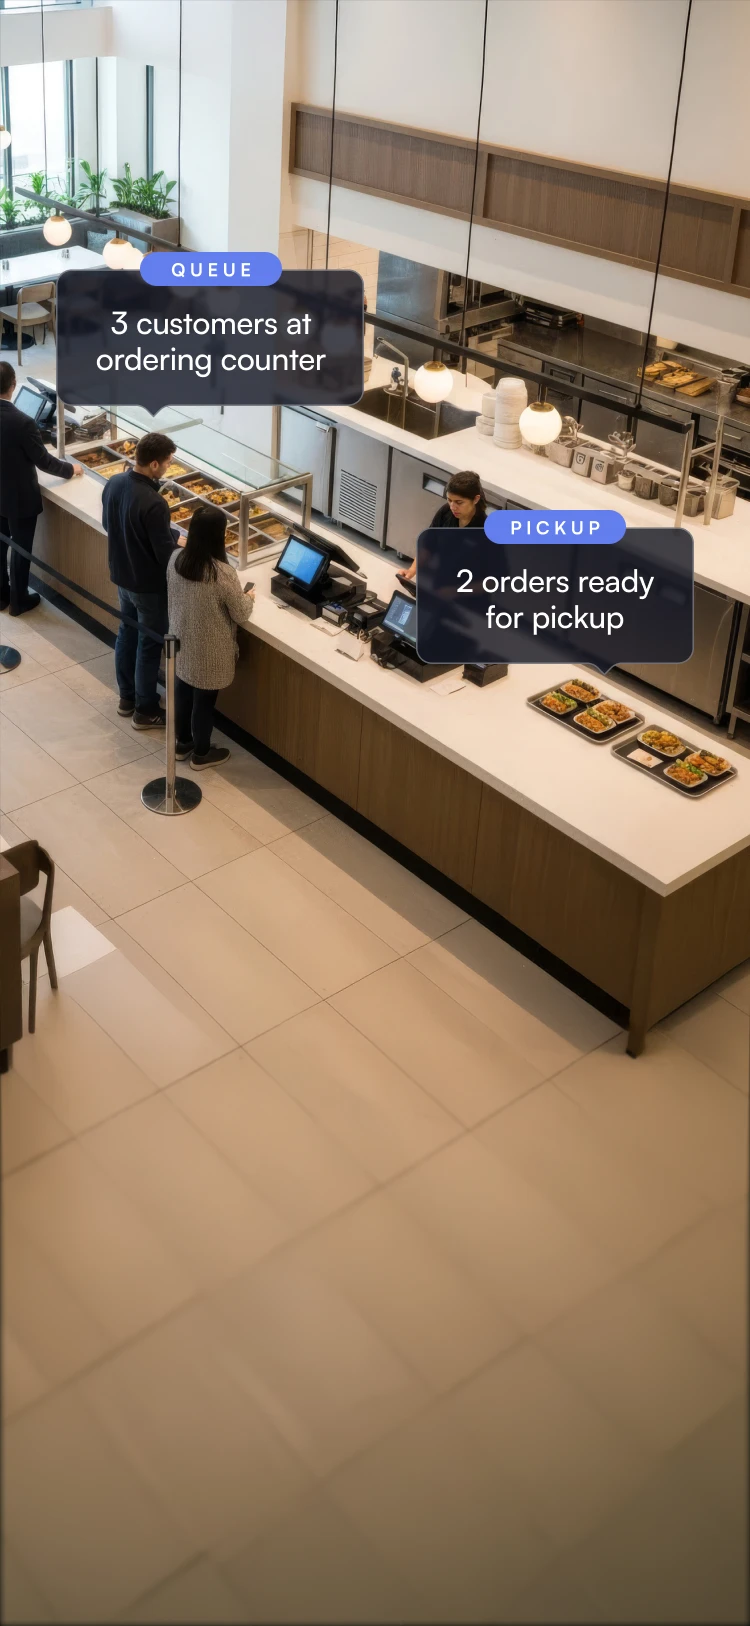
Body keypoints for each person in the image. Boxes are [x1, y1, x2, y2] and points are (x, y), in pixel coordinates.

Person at [167, 503, 255, 769]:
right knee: (204, 703)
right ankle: (202, 753)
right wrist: (249, 597)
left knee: (183, 692)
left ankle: (183, 743)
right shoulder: (222, 573)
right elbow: (241, 613)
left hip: (180, 642)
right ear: (219, 536)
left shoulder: (176, 559)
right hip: (210, 652)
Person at [102, 431, 180, 730]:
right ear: (155, 464)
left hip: (121, 575)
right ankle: (145, 710)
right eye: (169, 462)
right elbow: (164, 555)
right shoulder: (155, 502)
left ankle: (127, 698)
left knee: (127, 633)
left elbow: (110, 524)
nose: (169, 467)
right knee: (149, 645)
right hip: (147, 585)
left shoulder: (115, 482)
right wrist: (180, 546)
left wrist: (169, 534)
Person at [0, 360, 82, 615]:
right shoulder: (23, 422)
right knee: (21, 549)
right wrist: (71, 469)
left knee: (0, 546)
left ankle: (1, 597)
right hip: (19, 499)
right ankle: (19, 601)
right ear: (14, 385)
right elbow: (44, 461)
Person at [396, 469, 488, 586]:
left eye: (459, 502)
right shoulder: (446, 512)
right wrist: (411, 571)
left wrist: (455, 592)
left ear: (475, 499)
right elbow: (428, 545)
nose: (453, 507)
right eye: (449, 500)